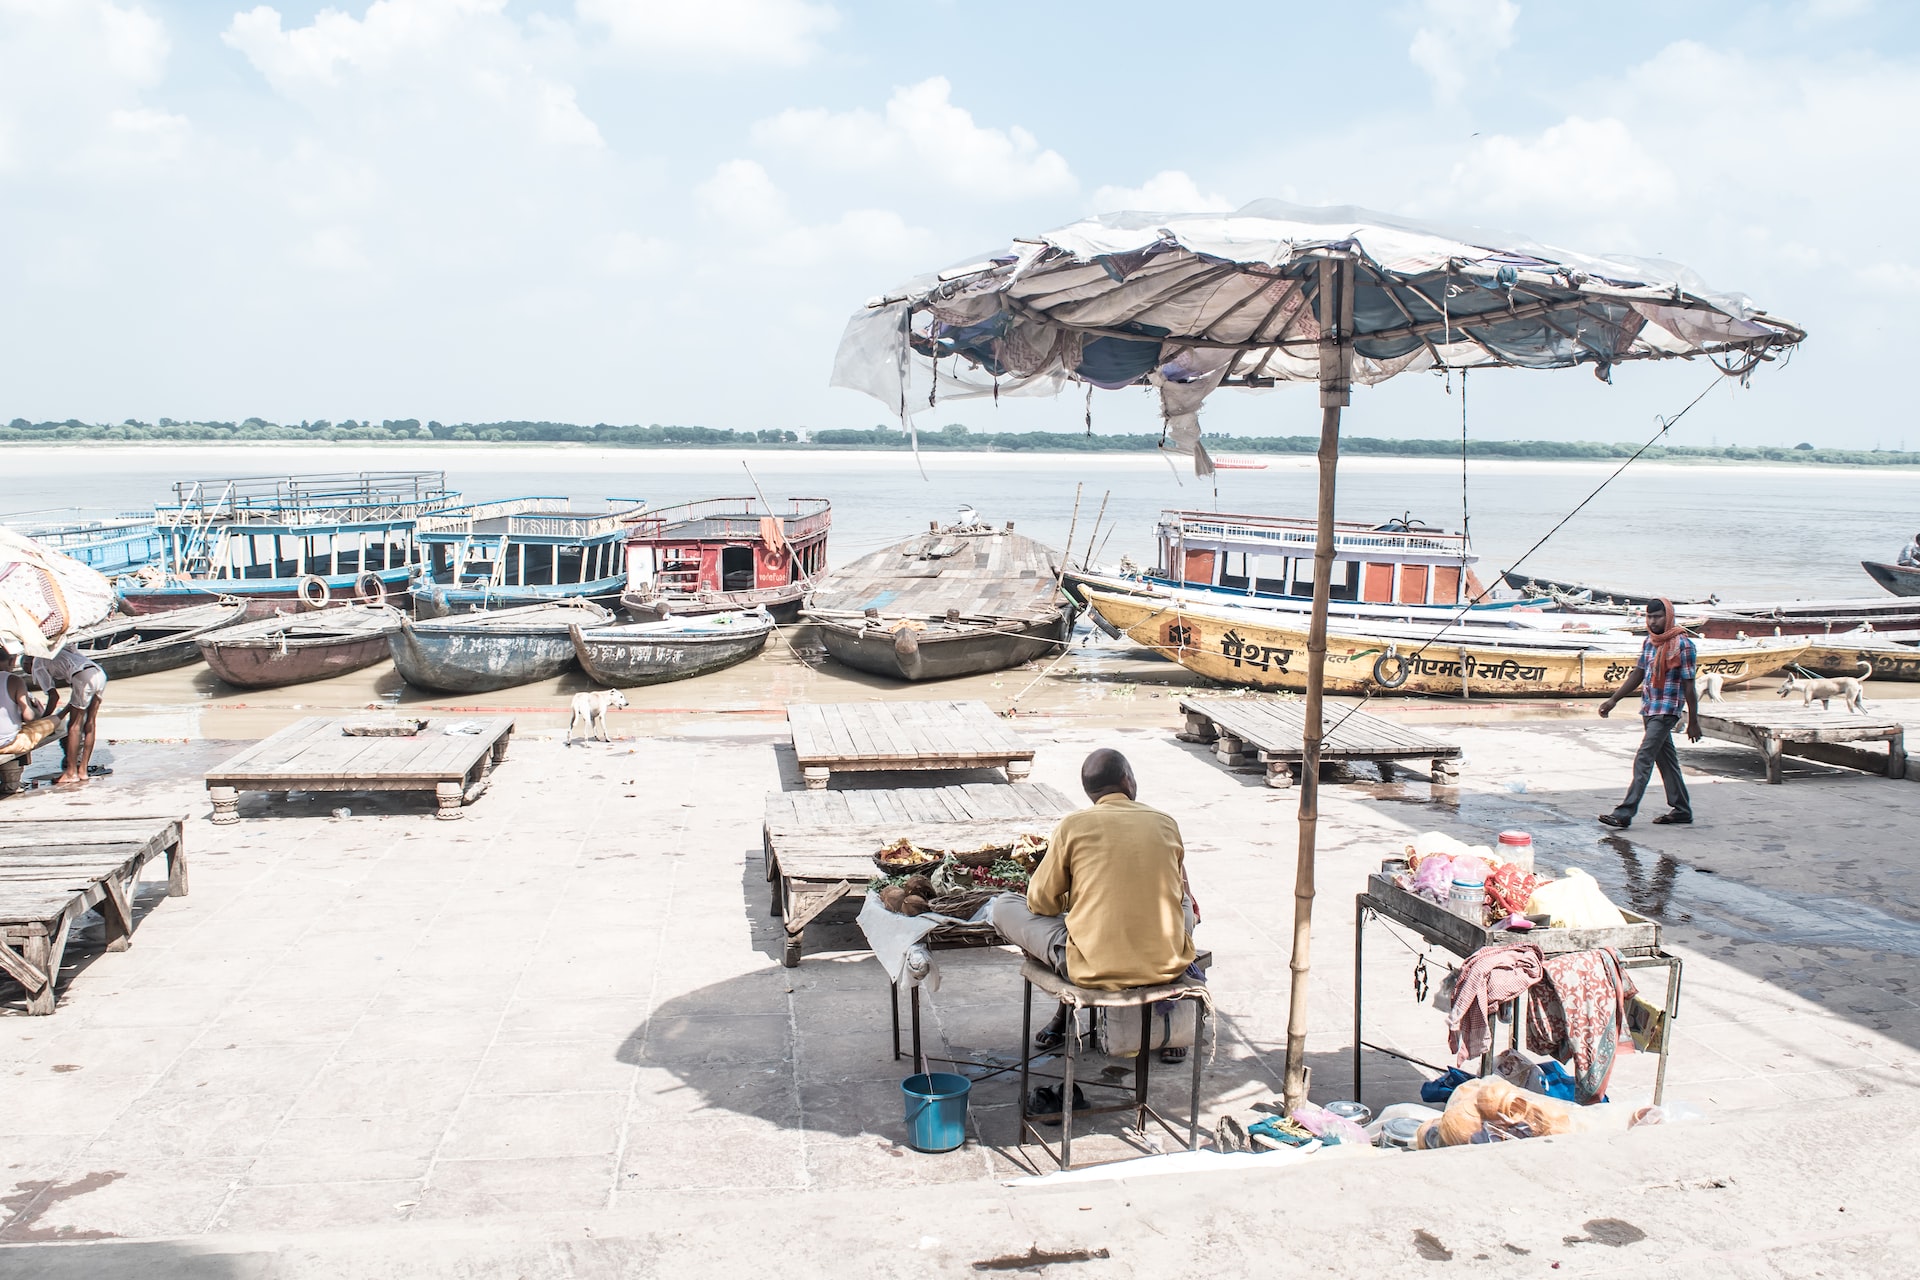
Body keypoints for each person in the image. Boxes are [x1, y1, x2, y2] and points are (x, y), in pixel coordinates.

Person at [992, 748, 1198, 1067]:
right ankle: (1070, 1013)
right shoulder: (1165, 822)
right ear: (1127, 780)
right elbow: (1179, 889)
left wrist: (1070, 898)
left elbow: (1040, 903)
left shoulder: (1073, 826)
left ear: (1090, 792)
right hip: (1167, 964)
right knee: (1184, 899)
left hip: (1093, 970)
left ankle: (1064, 1008)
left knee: (1006, 905)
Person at [1596, 597, 1700, 828]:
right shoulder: (1649, 643)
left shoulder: (1683, 645)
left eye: (1657, 617)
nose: (1652, 622)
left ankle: (1624, 812)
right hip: (1650, 707)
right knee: (1666, 761)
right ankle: (1682, 809)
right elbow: (1638, 674)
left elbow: (1689, 686)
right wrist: (1614, 699)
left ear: (1669, 617)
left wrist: (1693, 720)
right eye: (1649, 617)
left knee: (1644, 757)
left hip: (1667, 709)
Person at [29, 647, 107, 786]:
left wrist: (43, 722)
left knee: (74, 727)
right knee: (90, 723)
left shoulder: (36, 664)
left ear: (26, 664)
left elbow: (53, 696)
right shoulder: (57, 650)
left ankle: (71, 773)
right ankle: (82, 771)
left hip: (82, 676)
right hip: (98, 672)